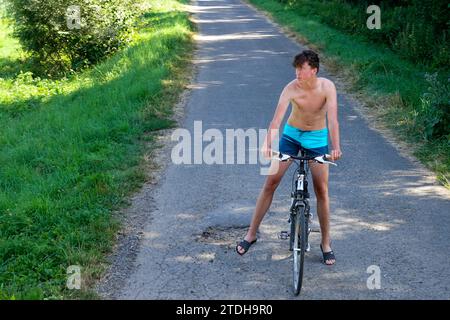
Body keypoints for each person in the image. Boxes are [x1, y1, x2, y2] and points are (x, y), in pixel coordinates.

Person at [236, 50, 342, 265]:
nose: (297, 72)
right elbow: (276, 121)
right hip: (291, 136)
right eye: (296, 68)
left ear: (314, 70)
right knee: (271, 182)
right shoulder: (290, 89)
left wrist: (336, 147)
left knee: (321, 189)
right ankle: (251, 233)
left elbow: (333, 120)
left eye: (302, 68)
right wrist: (267, 144)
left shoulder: (327, 87)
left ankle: (326, 242)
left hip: (317, 139)